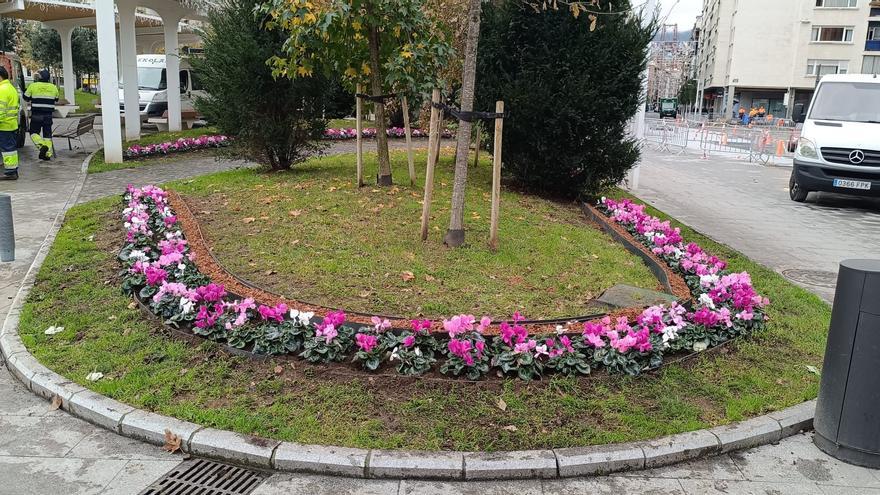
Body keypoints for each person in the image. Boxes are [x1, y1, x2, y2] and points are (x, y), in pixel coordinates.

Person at [23, 69, 59, 160]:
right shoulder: (53, 87)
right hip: (48, 115)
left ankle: (42, 146)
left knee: (33, 132)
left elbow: (25, 97)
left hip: (36, 114)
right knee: (47, 135)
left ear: (39, 77)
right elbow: (56, 99)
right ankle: (47, 154)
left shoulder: (33, 86)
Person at [0, 66, 19, 180]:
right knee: (10, 149)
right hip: (11, 124)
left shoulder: (2, 90)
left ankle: (10, 172)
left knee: (8, 150)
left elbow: (0, 110)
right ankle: (12, 170)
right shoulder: (10, 88)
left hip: (4, 125)